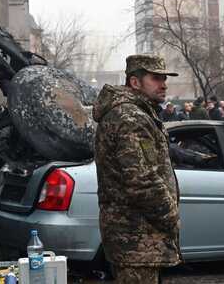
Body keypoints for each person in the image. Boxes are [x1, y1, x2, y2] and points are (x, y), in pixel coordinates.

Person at [92, 54, 181, 283]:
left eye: (164, 78)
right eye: (156, 78)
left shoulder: (136, 113)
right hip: (136, 238)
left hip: (136, 239)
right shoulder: (130, 118)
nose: (164, 84)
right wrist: (171, 216)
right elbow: (142, 180)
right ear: (134, 82)